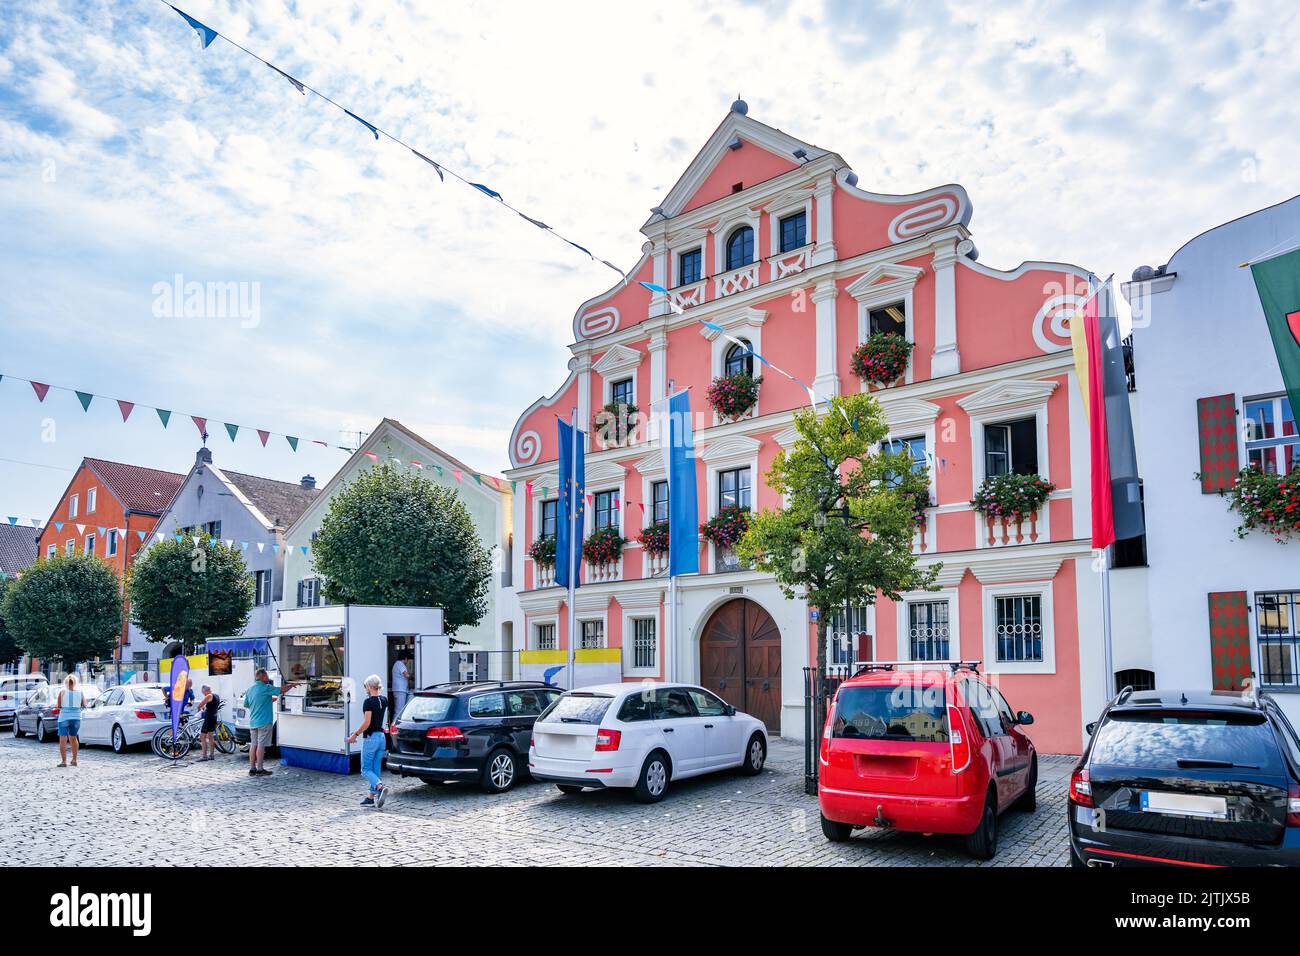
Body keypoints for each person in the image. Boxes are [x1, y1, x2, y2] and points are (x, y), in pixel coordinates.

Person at [347, 675, 388, 809]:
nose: (365, 689)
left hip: (371, 738)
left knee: (365, 769)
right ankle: (371, 798)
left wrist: (355, 734)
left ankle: (380, 787)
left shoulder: (368, 702)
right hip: (381, 737)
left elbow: (367, 722)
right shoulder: (384, 699)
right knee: (375, 769)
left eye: (365, 686)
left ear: (370, 687)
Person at [242, 668, 281, 777]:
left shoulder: (250, 689)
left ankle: (252, 769)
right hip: (264, 721)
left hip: (253, 721)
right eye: (267, 676)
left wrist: (261, 703)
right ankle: (260, 769)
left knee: (253, 744)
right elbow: (280, 690)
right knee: (261, 745)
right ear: (262, 676)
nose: (268, 678)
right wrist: (291, 686)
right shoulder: (265, 687)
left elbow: (246, 704)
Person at [56, 675, 84, 768]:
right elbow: (84, 704)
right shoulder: (80, 692)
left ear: (66, 683)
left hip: (64, 717)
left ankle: (64, 761)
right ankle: (74, 760)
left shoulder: (62, 692)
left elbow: (59, 706)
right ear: (75, 682)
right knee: (73, 738)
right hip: (76, 718)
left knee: (63, 739)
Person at [195, 683, 222, 761]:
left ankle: (204, 756)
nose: (204, 695)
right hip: (214, 717)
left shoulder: (209, 696)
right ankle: (212, 755)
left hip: (208, 718)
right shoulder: (216, 696)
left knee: (202, 737)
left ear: (205, 691)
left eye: (203, 693)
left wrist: (200, 710)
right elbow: (211, 705)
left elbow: (199, 705)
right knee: (210, 736)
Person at [390, 654, 411, 727]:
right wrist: (412, 677)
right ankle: (394, 727)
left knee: (398, 709)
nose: (407, 661)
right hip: (400, 690)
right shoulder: (400, 664)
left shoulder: (396, 664)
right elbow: (406, 675)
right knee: (399, 710)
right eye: (407, 660)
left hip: (398, 690)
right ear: (405, 658)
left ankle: (394, 727)